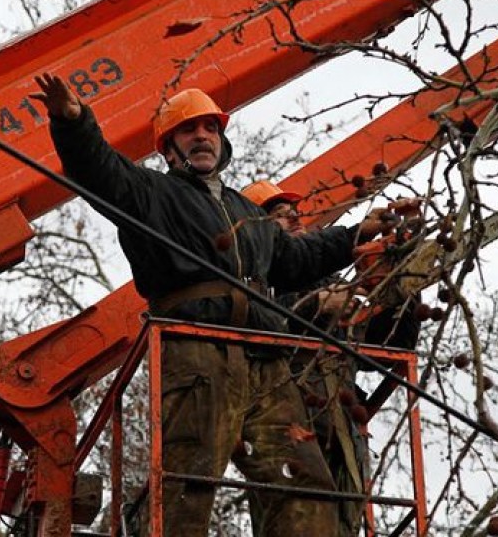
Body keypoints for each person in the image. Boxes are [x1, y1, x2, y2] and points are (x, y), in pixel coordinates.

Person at [30, 74, 393, 537]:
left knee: (306, 483)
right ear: (167, 147)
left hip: (265, 358)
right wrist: (74, 122)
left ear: (222, 142)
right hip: (199, 352)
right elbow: (100, 170)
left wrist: (355, 234)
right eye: (188, 129)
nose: (202, 136)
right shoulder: (151, 195)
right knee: (188, 483)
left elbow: (294, 258)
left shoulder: (248, 213)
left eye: (211, 128)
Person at [242, 180, 423, 536]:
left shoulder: (326, 279)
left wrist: (400, 289)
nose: (294, 219)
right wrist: (313, 306)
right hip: (281, 417)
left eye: (295, 213)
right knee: (295, 521)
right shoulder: (251, 278)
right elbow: (247, 325)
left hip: (340, 426)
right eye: (279, 216)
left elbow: (389, 348)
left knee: (344, 522)